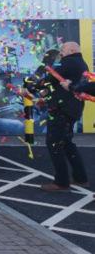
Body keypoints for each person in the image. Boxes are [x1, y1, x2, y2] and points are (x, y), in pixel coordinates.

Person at [29, 42, 90, 191]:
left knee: (54, 144)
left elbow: (49, 80)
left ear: (72, 50)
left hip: (62, 111)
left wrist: (32, 85)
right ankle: (81, 178)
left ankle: (61, 182)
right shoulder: (81, 64)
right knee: (67, 143)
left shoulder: (68, 63)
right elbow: (58, 86)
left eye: (63, 50)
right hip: (72, 110)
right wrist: (46, 97)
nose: (60, 53)